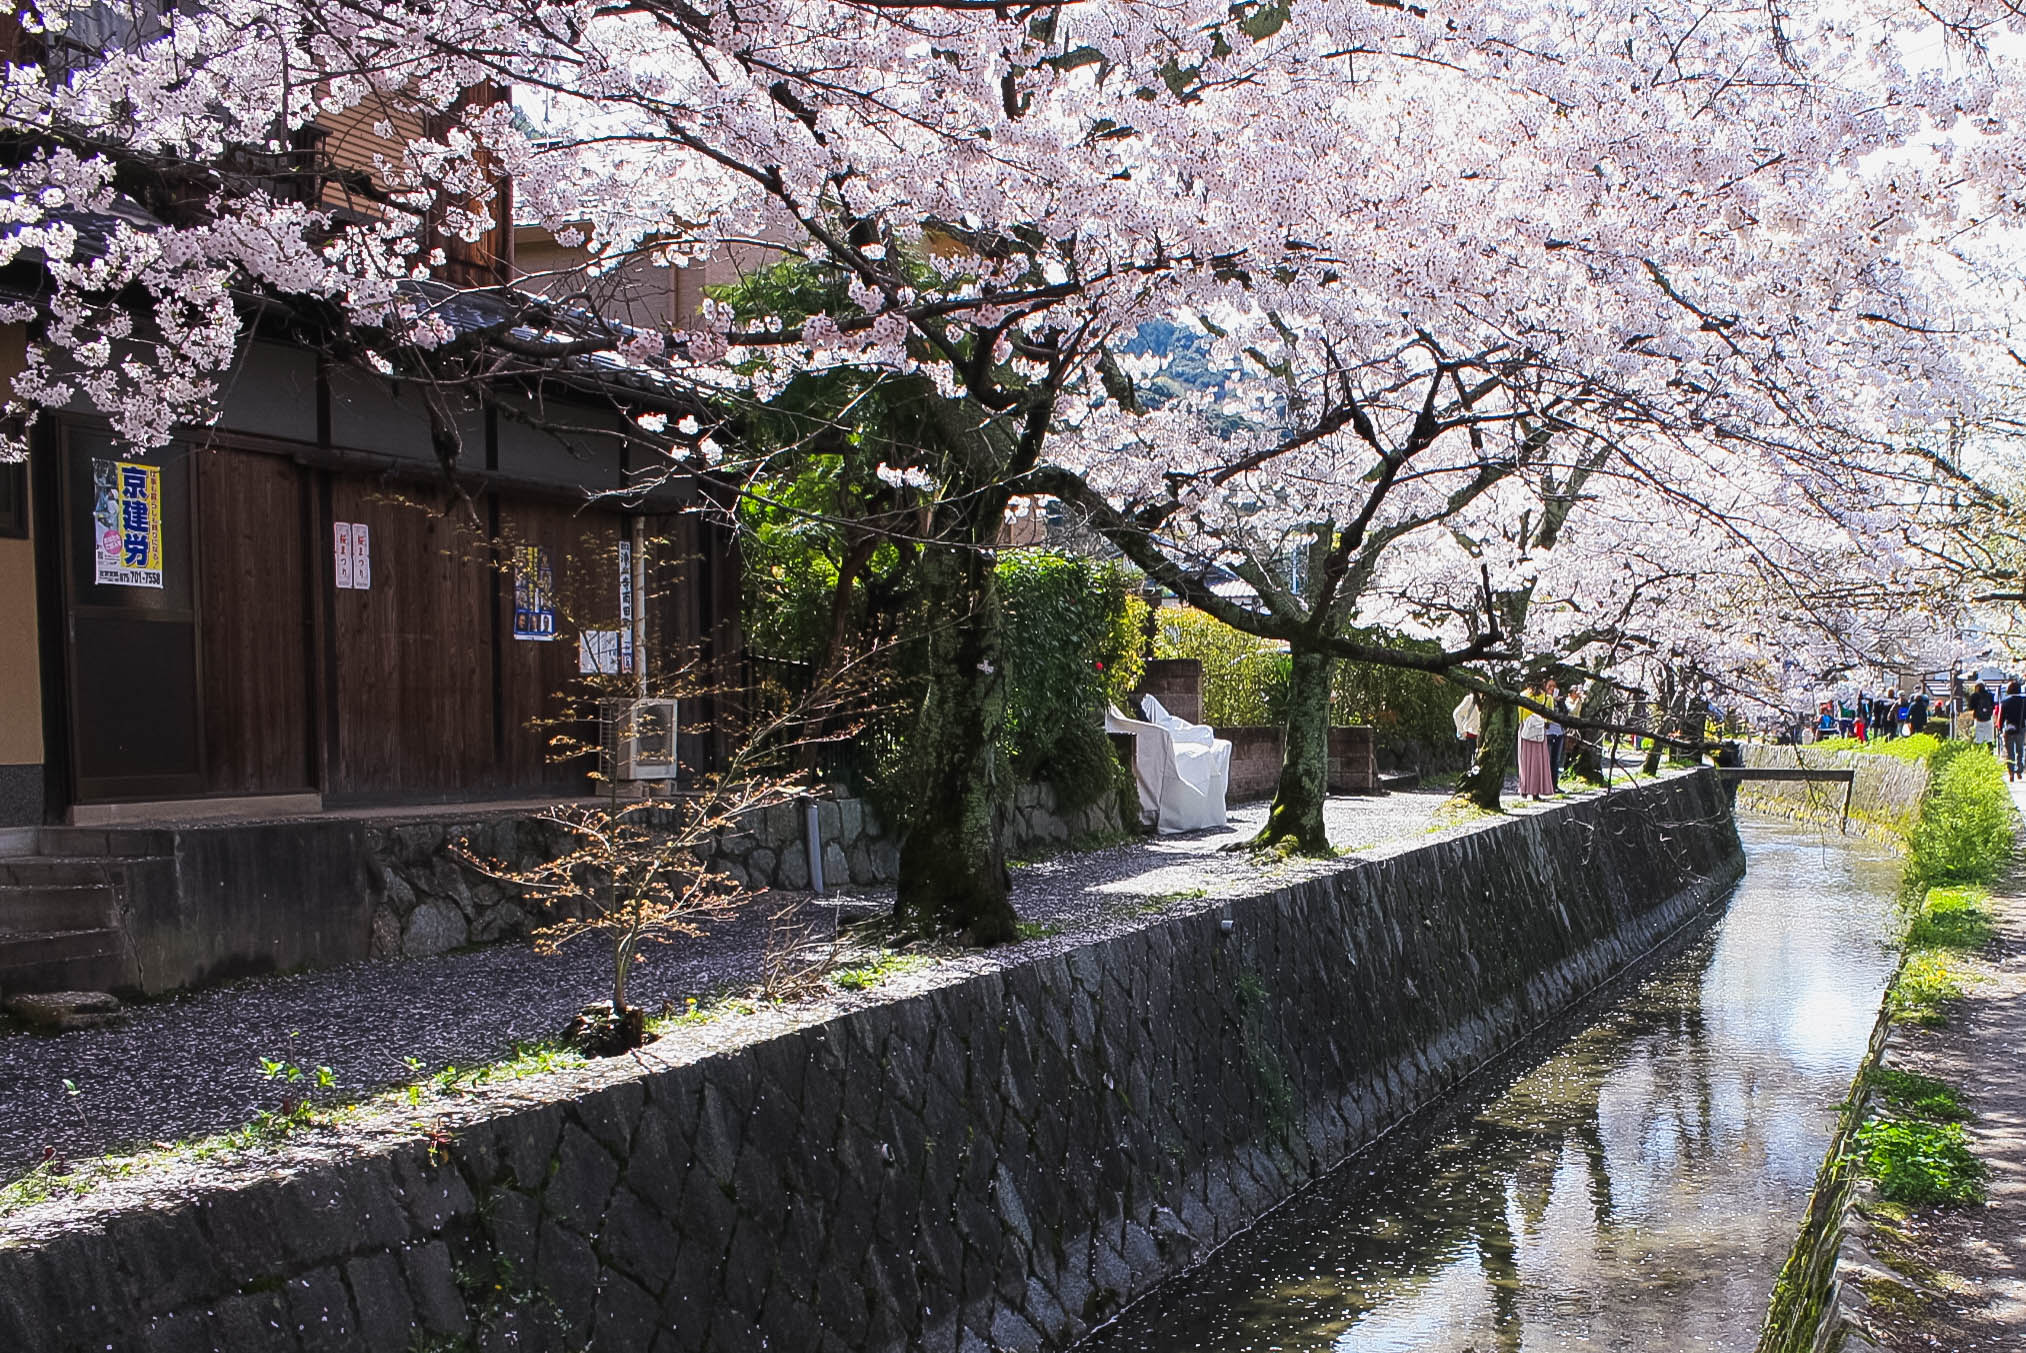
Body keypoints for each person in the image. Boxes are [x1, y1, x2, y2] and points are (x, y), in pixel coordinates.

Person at [1517, 682, 1554, 800]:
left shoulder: (1522, 695)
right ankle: (1536, 792)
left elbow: (1519, 716)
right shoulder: (1547, 698)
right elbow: (1550, 717)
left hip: (1525, 731)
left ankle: (1524, 789)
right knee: (1539, 762)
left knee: (1524, 761)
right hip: (1539, 733)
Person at [1544, 678, 1566, 789]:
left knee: (1556, 760)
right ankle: (1546, 785)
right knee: (1547, 759)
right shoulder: (1543, 699)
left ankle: (1554, 785)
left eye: (1554, 686)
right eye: (1550, 686)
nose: (1552, 689)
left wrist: (1559, 702)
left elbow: (1566, 713)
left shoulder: (1559, 701)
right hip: (1548, 732)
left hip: (1559, 732)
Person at [2003, 681, 2026, 781]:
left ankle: (2011, 772)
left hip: (2009, 729)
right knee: (2020, 750)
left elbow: (2001, 717)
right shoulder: (2024, 701)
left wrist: (2000, 728)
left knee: (2010, 751)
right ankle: (2019, 770)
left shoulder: (2006, 702)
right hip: (2021, 728)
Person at [1452, 691, 1481, 769]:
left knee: (1475, 764)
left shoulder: (1479, 701)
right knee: (1469, 764)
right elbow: (1456, 714)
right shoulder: (1470, 699)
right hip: (1469, 735)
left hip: (1475, 736)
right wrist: (1462, 731)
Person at [1970, 680, 1997, 748]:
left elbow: (1970, 707)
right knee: (1989, 740)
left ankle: (1979, 755)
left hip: (1978, 719)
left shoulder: (1974, 696)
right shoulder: (1990, 695)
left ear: (1977, 687)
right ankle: (1990, 755)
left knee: (1978, 739)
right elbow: (1993, 707)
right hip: (1988, 719)